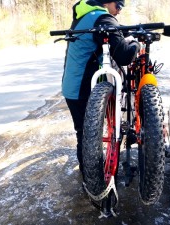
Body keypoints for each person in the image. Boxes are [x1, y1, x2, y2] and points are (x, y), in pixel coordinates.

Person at [62, 0, 140, 173]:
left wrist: (122, 29)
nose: (119, 11)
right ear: (108, 1)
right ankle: (91, 179)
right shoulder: (103, 19)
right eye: (119, 5)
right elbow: (124, 56)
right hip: (81, 88)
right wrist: (136, 44)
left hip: (72, 84)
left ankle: (92, 174)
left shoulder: (87, 15)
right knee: (86, 136)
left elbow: (110, 28)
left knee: (85, 133)